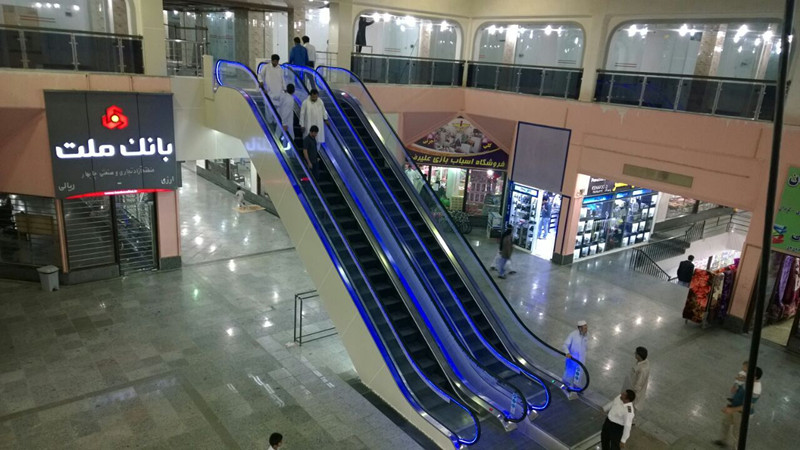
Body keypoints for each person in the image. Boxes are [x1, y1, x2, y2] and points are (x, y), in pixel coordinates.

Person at [714, 367, 763, 448]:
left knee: (737, 434)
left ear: (755, 377)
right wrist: (736, 387)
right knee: (725, 423)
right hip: (734, 407)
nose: (746, 375)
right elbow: (742, 383)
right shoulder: (750, 380)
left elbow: (748, 406)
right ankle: (723, 441)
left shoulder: (756, 389)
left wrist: (731, 410)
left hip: (741, 414)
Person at [563, 320, 589, 399]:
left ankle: (576, 388)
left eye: (586, 327)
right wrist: (567, 353)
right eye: (584, 328)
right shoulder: (573, 335)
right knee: (569, 374)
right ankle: (567, 387)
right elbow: (565, 345)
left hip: (581, 360)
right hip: (572, 359)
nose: (586, 329)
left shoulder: (587, 335)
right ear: (579, 328)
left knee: (578, 375)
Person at [622, 346, 650, 412]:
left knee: (631, 408)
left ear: (639, 356)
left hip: (634, 393)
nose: (635, 354)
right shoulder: (644, 362)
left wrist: (630, 394)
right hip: (631, 386)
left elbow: (638, 385)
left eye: (636, 353)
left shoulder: (643, 369)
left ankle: (631, 421)